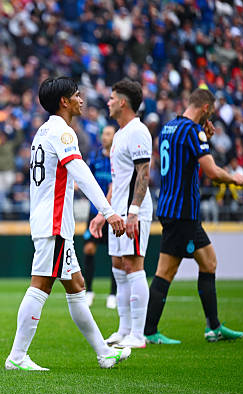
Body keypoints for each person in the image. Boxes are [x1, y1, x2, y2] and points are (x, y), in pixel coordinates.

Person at [5, 77, 130, 371]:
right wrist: (109, 211)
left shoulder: (43, 131)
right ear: (64, 101)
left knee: (76, 285)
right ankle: (17, 357)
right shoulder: (63, 132)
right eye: (76, 95)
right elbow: (81, 173)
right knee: (40, 285)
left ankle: (104, 353)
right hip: (54, 222)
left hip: (50, 220)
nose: (81, 100)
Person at [144, 88, 243, 344]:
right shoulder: (192, 131)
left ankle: (213, 326)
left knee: (208, 262)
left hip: (171, 207)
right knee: (166, 271)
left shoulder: (169, 127)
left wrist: (203, 138)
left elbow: (182, 159)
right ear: (206, 109)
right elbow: (211, 171)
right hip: (183, 212)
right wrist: (235, 179)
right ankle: (150, 331)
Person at [89, 79, 152, 349]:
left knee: (133, 266)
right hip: (117, 210)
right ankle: (124, 329)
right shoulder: (120, 134)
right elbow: (119, 179)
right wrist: (103, 212)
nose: (109, 102)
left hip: (133, 211)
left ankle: (138, 334)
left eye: (112, 98)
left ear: (123, 102)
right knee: (118, 266)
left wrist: (133, 212)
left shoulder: (138, 131)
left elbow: (143, 173)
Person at [81, 124, 117, 308]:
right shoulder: (94, 157)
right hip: (94, 212)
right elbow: (86, 180)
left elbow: (116, 186)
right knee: (88, 249)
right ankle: (89, 291)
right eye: (103, 133)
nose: (105, 136)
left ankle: (113, 294)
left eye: (109, 133)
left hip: (113, 214)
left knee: (115, 255)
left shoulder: (118, 158)